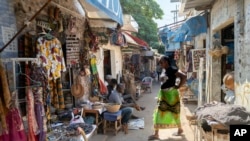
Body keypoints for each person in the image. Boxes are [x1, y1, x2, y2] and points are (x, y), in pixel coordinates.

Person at [148, 56, 187, 140]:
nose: (160, 64)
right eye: (160, 63)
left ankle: (157, 134)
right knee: (168, 112)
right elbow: (166, 79)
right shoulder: (165, 70)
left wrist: (179, 86)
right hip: (165, 95)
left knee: (164, 112)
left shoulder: (172, 69)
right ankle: (179, 129)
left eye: (161, 62)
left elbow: (183, 76)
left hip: (171, 95)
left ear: (166, 62)